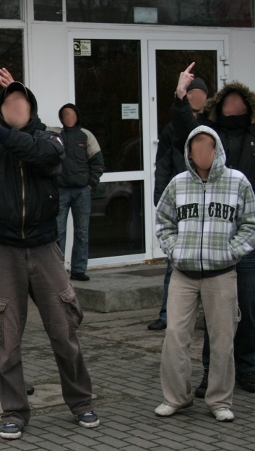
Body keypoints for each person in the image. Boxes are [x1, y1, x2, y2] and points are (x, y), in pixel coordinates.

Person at [0, 71, 99, 440]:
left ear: (31, 110)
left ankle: (81, 402)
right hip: (2, 252)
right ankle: (13, 412)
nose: (13, 107)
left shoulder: (48, 138)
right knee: (7, 339)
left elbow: (39, 155)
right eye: (7, 102)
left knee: (64, 332)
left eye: (20, 102)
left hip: (44, 250)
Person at [154, 126, 255, 422]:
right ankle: (176, 398)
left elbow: (250, 223)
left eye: (207, 146)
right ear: (188, 152)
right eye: (195, 147)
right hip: (183, 275)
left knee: (223, 339)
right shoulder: (178, 183)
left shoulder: (238, 183)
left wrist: (231, 251)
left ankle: (220, 400)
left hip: (221, 274)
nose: (201, 152)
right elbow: (163, 221)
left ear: (217, 150)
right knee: (174, 336)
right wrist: (175, 250)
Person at [172, 63, 255, 396]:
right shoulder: (208, 131)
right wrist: (180, 96)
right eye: (227, 102)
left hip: (243, 239)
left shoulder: (252, 137)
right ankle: (210, 375)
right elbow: (182, 131)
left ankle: (246, 369)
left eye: (239, 102)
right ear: (218, 106)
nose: (232, 107)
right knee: (215, 317)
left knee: (246, 310)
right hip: (210, 235)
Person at [148, 77, 209, 331]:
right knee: (175, 262)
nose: (195, 97)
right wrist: (161, 196)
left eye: (200, 94)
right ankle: (166, 315)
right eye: (191, 93)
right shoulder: (171, 130)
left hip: (209, 203)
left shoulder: (211, 127)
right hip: (181, 203)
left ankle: (210, 314)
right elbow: (162, 164)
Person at [53, 103, 104, 282]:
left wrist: (90, 183)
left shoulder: (86, 135)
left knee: (82, 231)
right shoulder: (56, 135)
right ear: (61, 118)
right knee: (58, 232)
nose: (68, 117)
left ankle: (78, 269)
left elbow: (98, 161)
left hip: (82, 191)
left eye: (71, 114)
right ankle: (58, 271)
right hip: (61, 191)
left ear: (77, 116)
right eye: (65, 114)